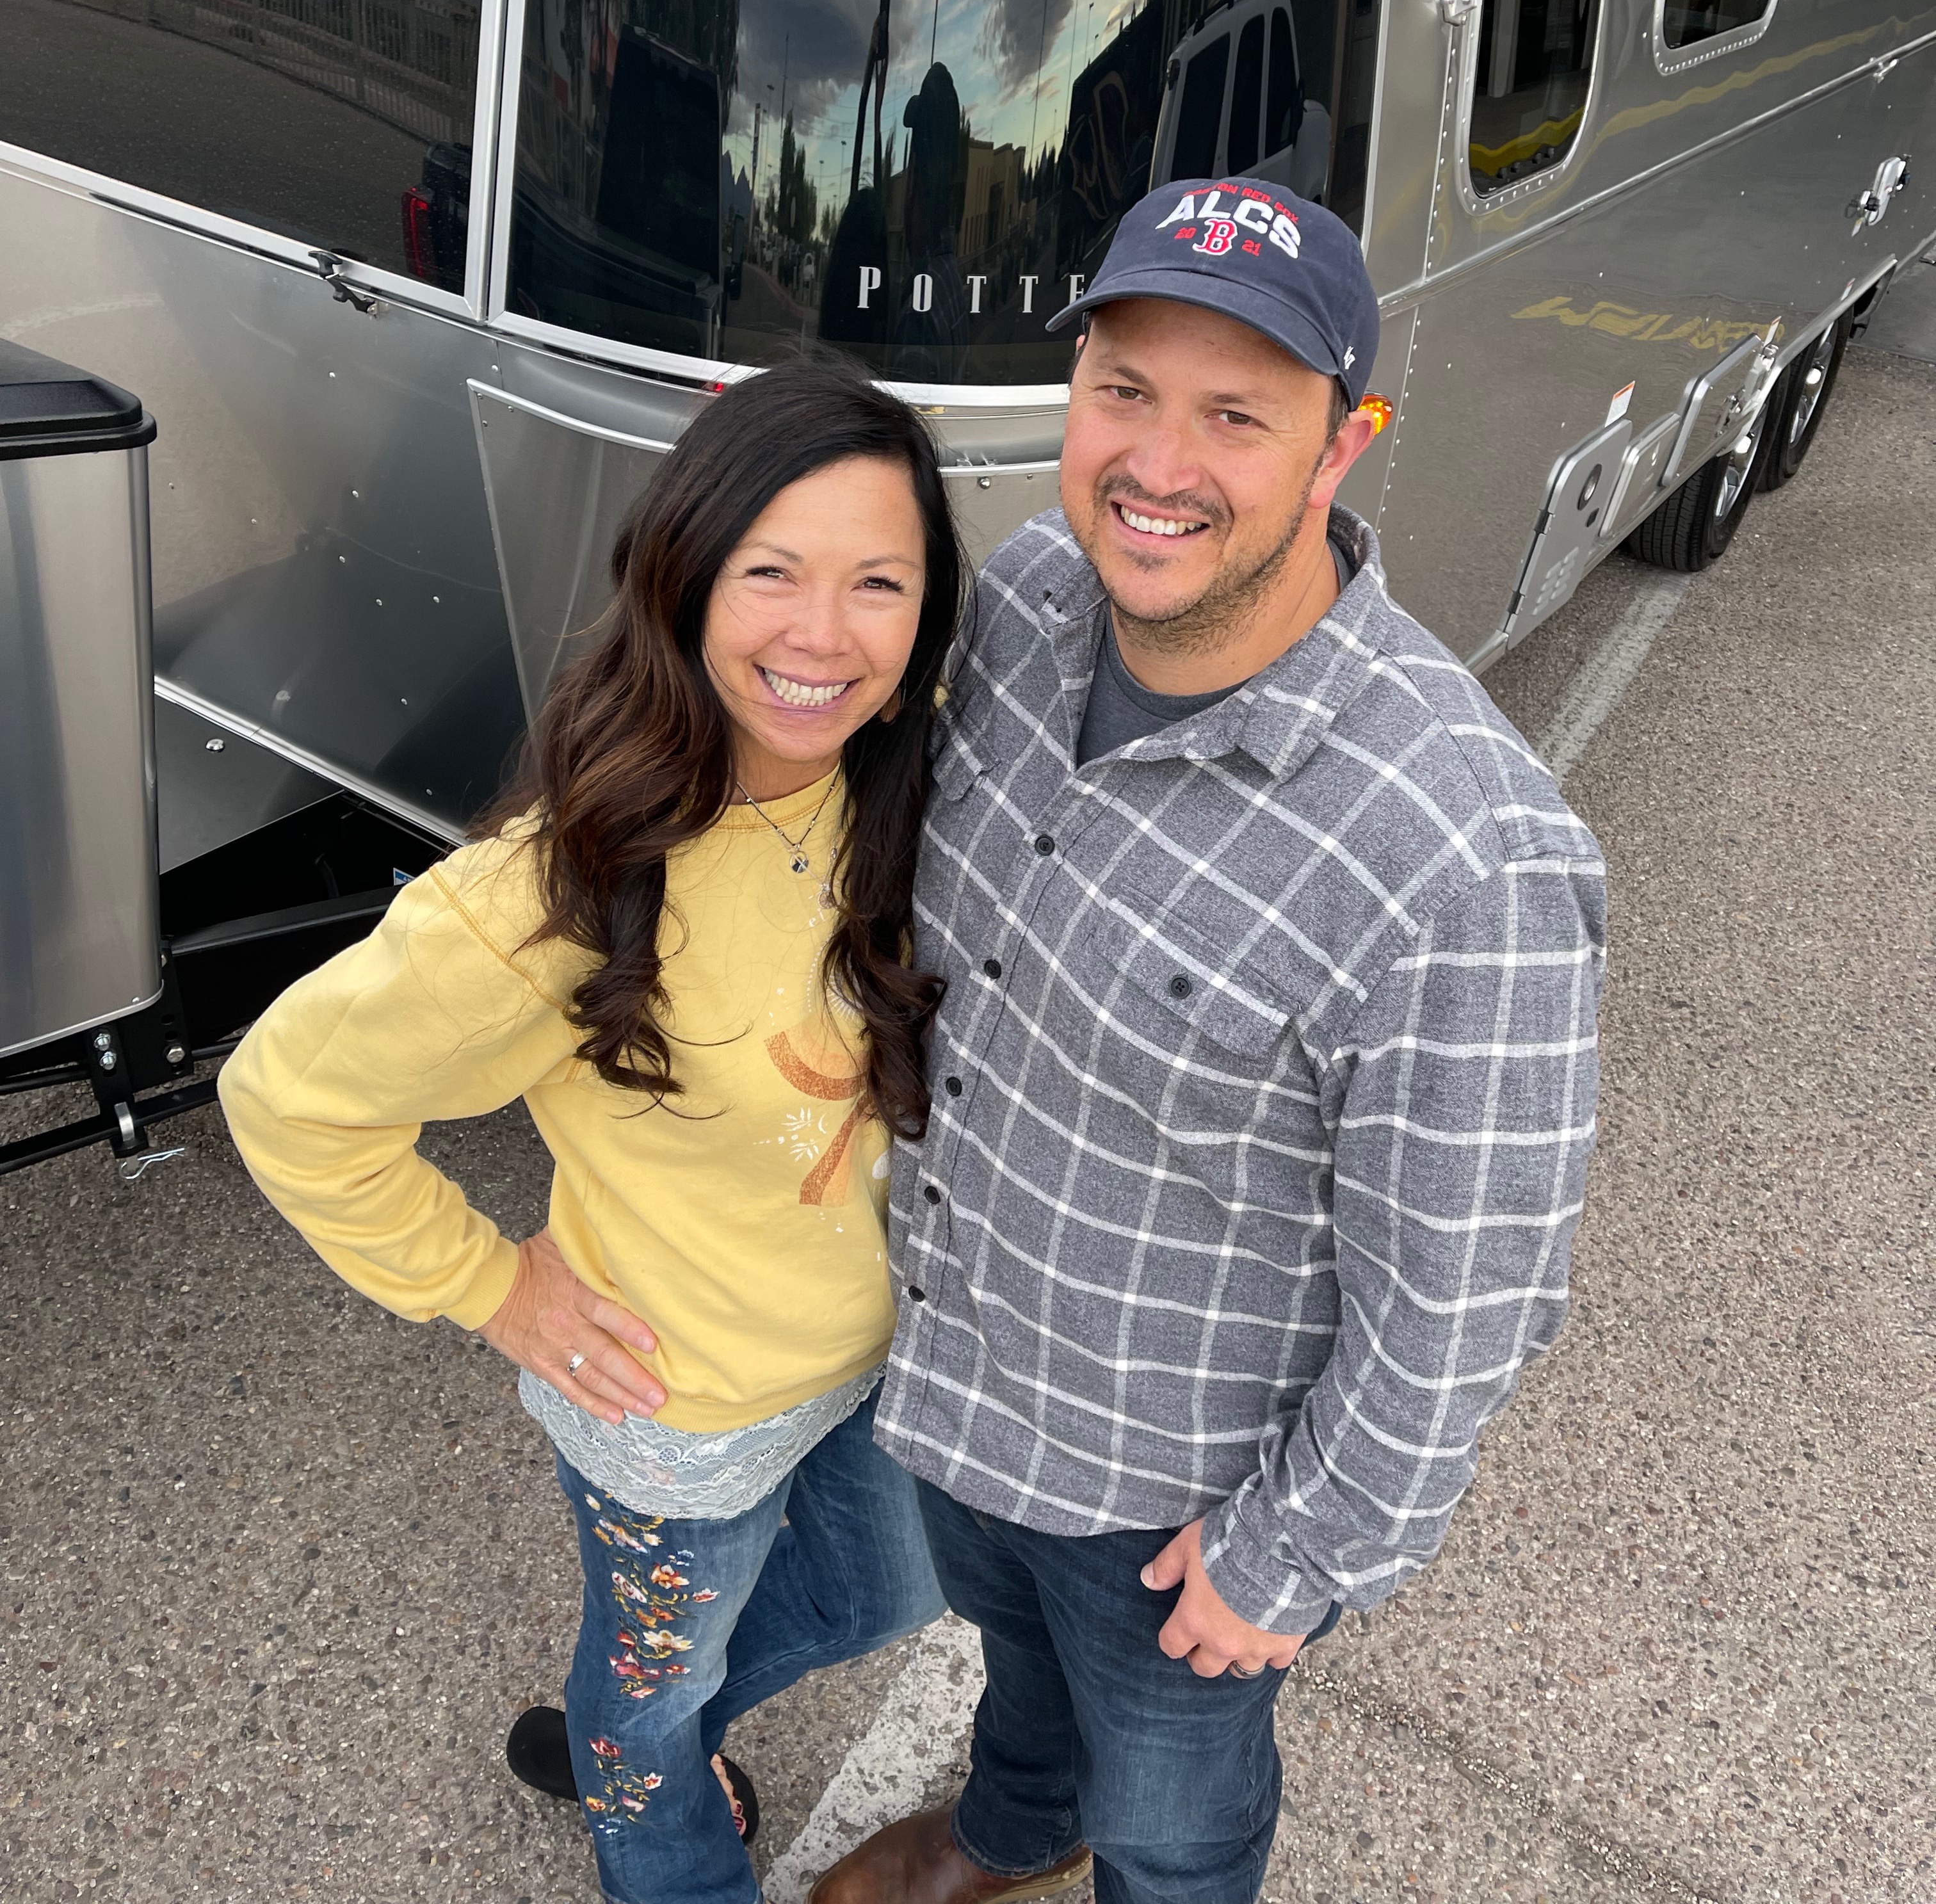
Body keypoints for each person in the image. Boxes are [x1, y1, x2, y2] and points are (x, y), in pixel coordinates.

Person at [812, 181, 1608, 1904]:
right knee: (1014, 1672)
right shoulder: (1033, 598)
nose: (1156, 464)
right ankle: (1019, 1825)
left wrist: (1293, 1555)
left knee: (1177, 1826)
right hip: (965, 1370)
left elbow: (1465, 1298)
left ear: (1343, 447)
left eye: (1236, 415)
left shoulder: (1459, 857)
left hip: (1178, 1507)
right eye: (1125, 389)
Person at [220, 360, 963, 1904]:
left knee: (885, 1596)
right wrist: (494, 1286)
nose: (823, 636)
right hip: (678, 1417)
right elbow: (288, 1097)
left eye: (878, 583)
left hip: (879, 1362)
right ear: (682, 577)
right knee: (654, 1696)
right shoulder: (553, 886)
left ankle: (640, 1728)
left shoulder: (902, 782)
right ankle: (651, 1789)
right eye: (771, 572)